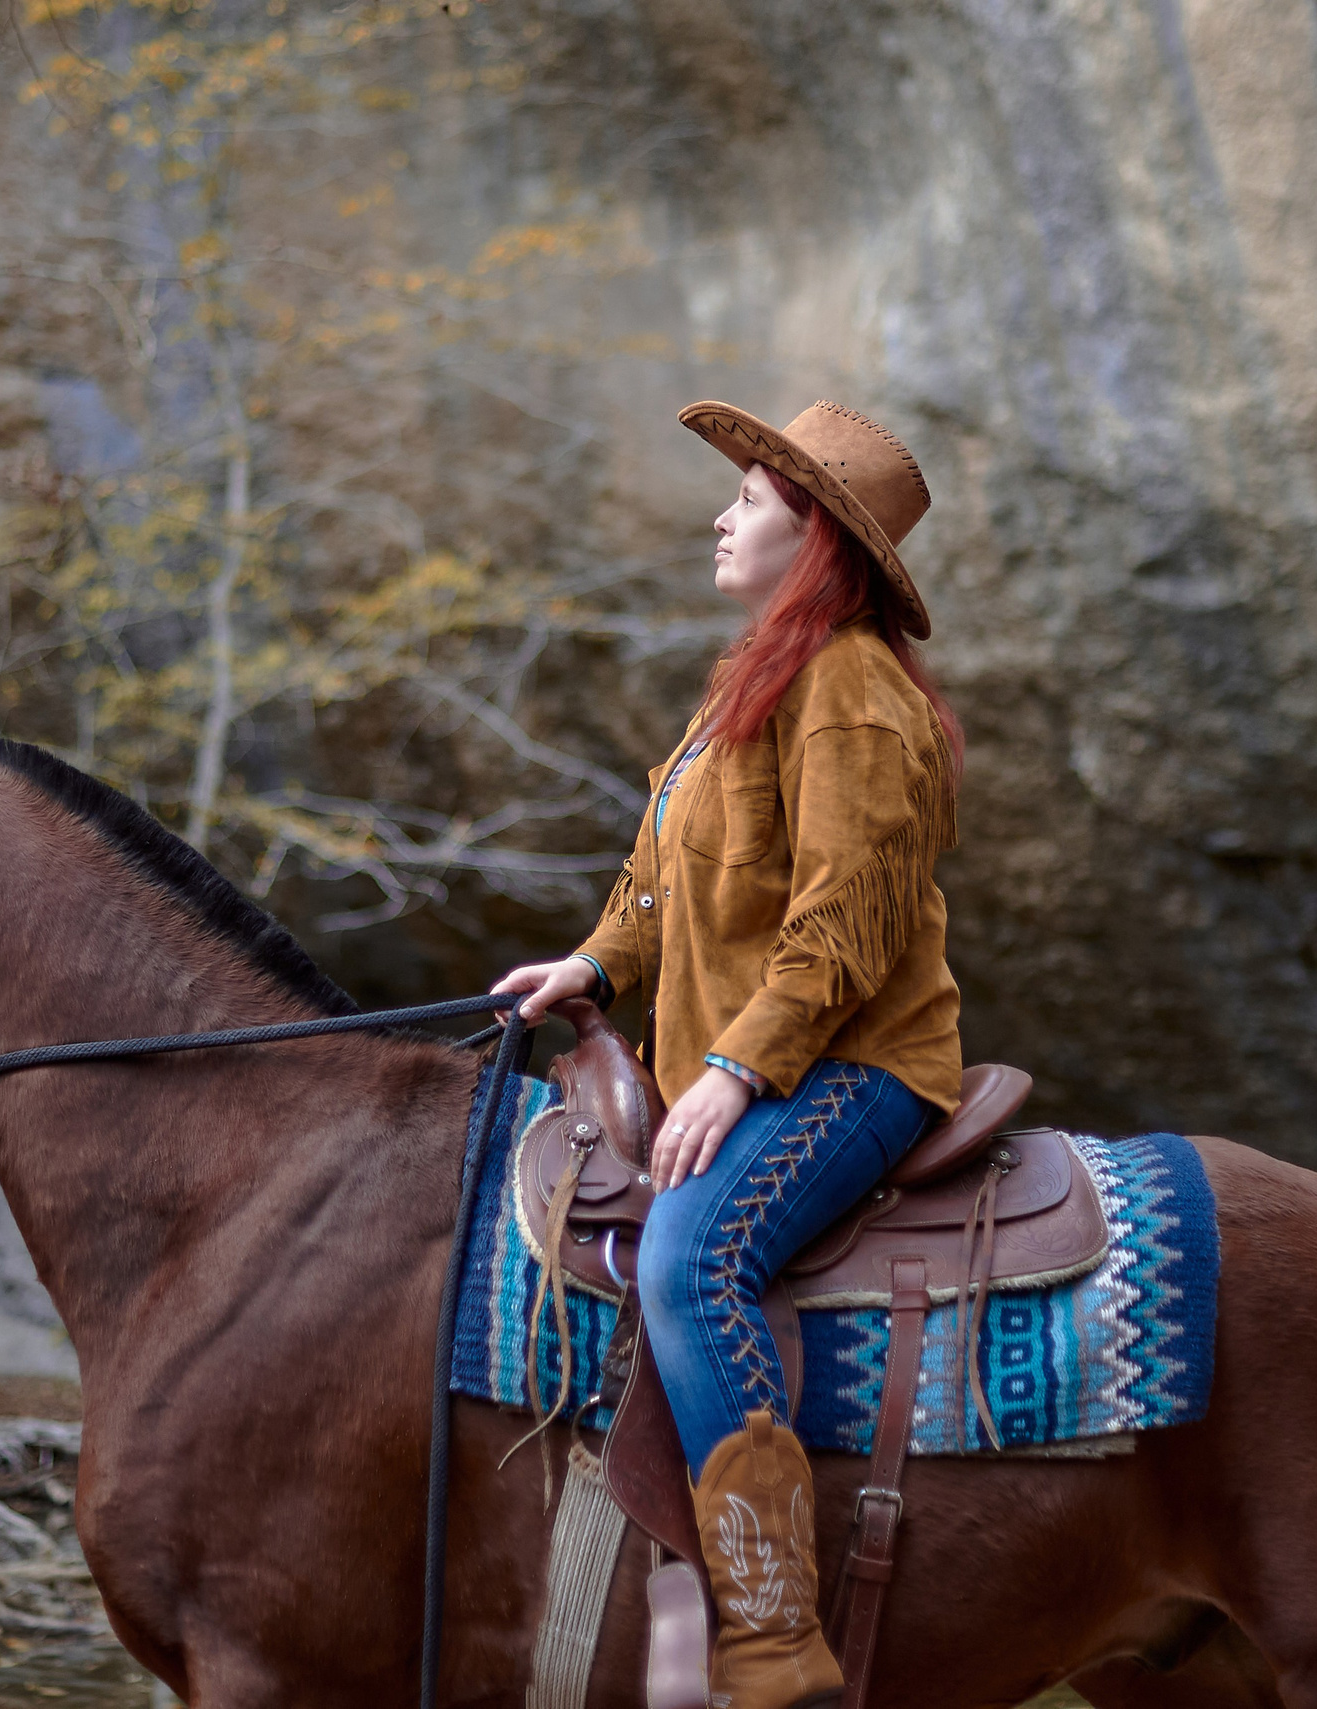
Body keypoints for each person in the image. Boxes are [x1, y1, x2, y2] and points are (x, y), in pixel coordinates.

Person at [495, 399, 964, 1709]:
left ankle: (770, 1634)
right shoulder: (751, 679)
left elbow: (844, 924)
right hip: (769, 1057)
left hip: (858, 1068)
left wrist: (734, 1069)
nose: (721, 516)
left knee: (693, 1259)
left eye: (750, 502)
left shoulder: (853, 693)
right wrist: (595, 965)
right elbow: (664, 879)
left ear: (815, 541)